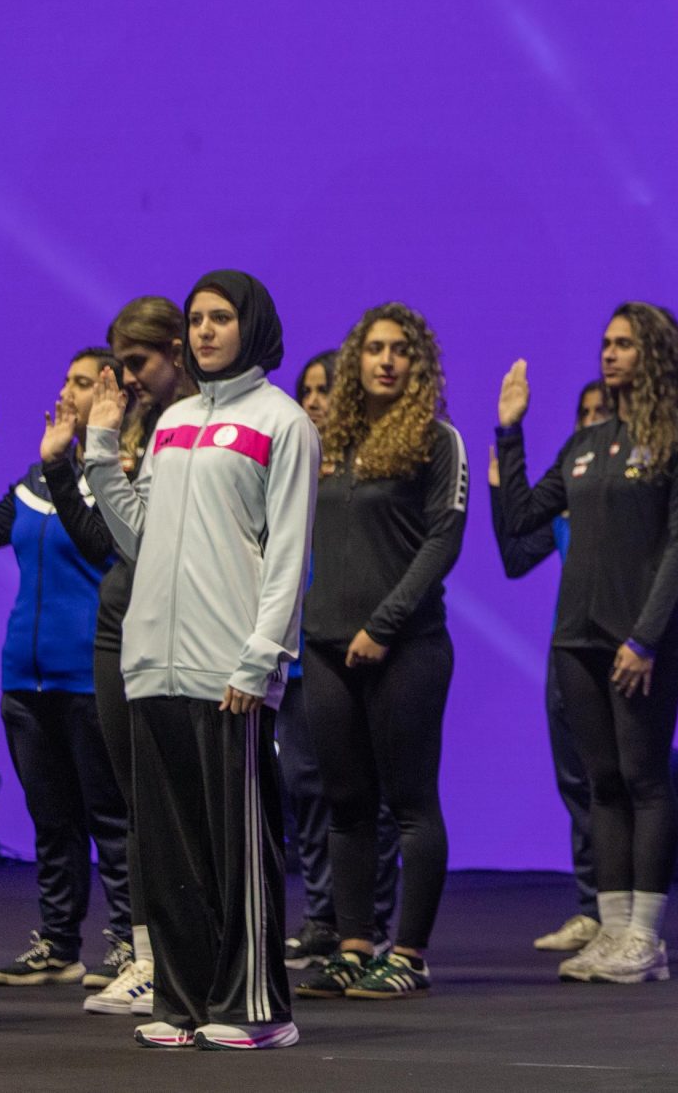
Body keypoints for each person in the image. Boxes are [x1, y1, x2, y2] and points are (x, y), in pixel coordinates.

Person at [82, 270, 318, 1050]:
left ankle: (259, 1008)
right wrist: (99, 450)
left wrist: (261, 659)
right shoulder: (175, 421)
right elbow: (140, 537)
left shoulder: (282, 422)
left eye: (221, 317)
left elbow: (288, 553)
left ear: (252, 324)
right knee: (169, 845)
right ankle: (183, 1001)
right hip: (155, 661)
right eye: (196, 319)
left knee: (240, 846)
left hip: (229, 668)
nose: (205, 330)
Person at [493, 304, 678, 986]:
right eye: (606, 343)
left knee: (645, 779)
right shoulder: (587, 442)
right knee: (603, 784)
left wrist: (645, 638)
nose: (610, 353)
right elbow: (522, 518)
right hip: (577, 641)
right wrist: (510, 431)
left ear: (655, 353)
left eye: (624, 343)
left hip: (642, 644)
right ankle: (612, 930)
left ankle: (645, 936)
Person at [294, 305, 466, 1001]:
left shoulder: (436, 439)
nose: (386, 360)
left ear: (417, 364)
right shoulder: (328, 441)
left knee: (411, 803)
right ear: (354, 360)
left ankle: (410, 954)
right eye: (374, 349)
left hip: (406, 647)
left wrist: (385, 624)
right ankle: (354, 946)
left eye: (400, 350)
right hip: (325, 647)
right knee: (346, 803)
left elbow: (443, 540)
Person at [46, 297, 196, 1020]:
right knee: (136, 798)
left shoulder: (197, 425)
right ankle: (147, 956)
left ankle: (190, 953)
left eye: (136, 362)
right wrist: (62, 465)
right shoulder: (139, 424)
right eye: (120, 364)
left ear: (176, 350)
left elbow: (161, 543)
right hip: (120, 620)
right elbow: (106, 542)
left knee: (180, 800)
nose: (127, 377)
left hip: (182, 627)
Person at [0, 349, 133, 991]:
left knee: (109, 818)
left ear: (112, 398)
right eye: (66, 379)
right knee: (51, 819)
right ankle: (60, 945)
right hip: (25, 680)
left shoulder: (119, 480)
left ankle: (130, 943)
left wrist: (68, 465)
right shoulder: (36, 481)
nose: (67, 390)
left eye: (83, 383)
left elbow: (100, 547)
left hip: (88, 676)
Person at [281, 353, 401, 967]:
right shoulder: (289, 466)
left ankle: (370, 921)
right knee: (306, 791)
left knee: (364, 795)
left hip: (354, 651)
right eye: (306, 390)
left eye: (325, 388)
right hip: (298, 655)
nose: (314, 400)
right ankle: (323, 917)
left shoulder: (368, 472)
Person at [496, 381, 613, 956]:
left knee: (615, 784)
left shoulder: (629, 487)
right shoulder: (566, 492)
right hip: (566, 649)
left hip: (619, 647)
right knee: (576, 785)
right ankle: (592, 910)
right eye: (583, 412)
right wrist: (498, 487)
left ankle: (624, 913)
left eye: (601, 411)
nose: (590, 420)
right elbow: (517, 557)